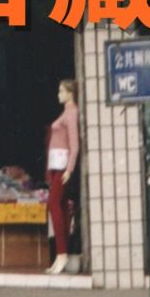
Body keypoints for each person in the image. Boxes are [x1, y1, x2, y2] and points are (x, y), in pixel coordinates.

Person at [45, 80, 82, 275]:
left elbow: (74, 144)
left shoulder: (71, 112)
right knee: (59, 206)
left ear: (70, 93)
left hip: (62, 166)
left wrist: (69, 169)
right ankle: (61, 252)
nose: (58, 94)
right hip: (57, 165)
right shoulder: (67, 112)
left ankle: (62, 253)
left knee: (54, 204)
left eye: (61, 90)